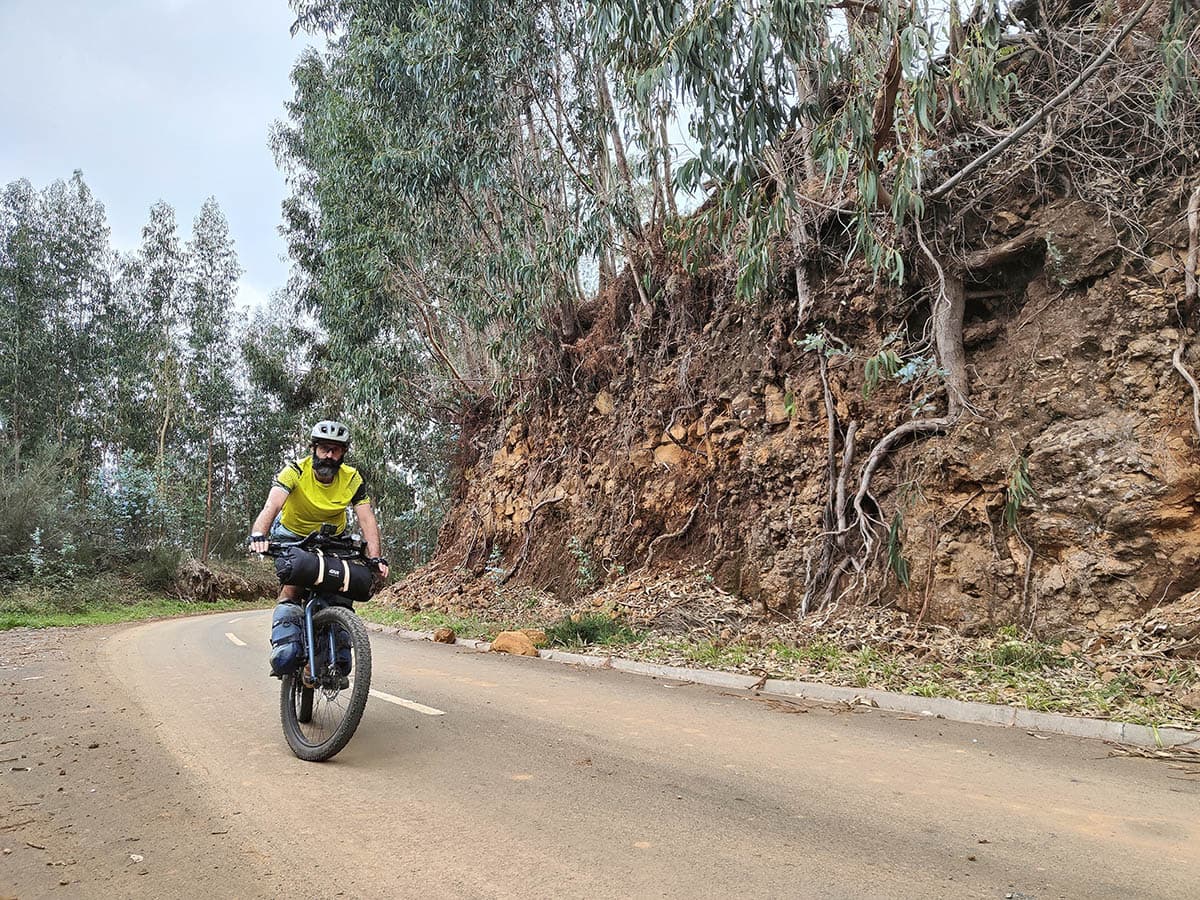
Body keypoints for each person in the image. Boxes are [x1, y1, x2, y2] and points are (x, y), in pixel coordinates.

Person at [249, 420, 390, 677]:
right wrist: (260, 533)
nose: (329, 455)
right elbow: (273, 505)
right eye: (324, 448)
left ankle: (334, 648)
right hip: (292, 533)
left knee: (339, 590)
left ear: (343, 453)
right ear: (313, 449)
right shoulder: (295, 470)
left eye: (336, 450)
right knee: (294, 586)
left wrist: (376, 557)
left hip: (332, 537)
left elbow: (367, 518)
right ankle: (286, 650)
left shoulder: (352, 478)